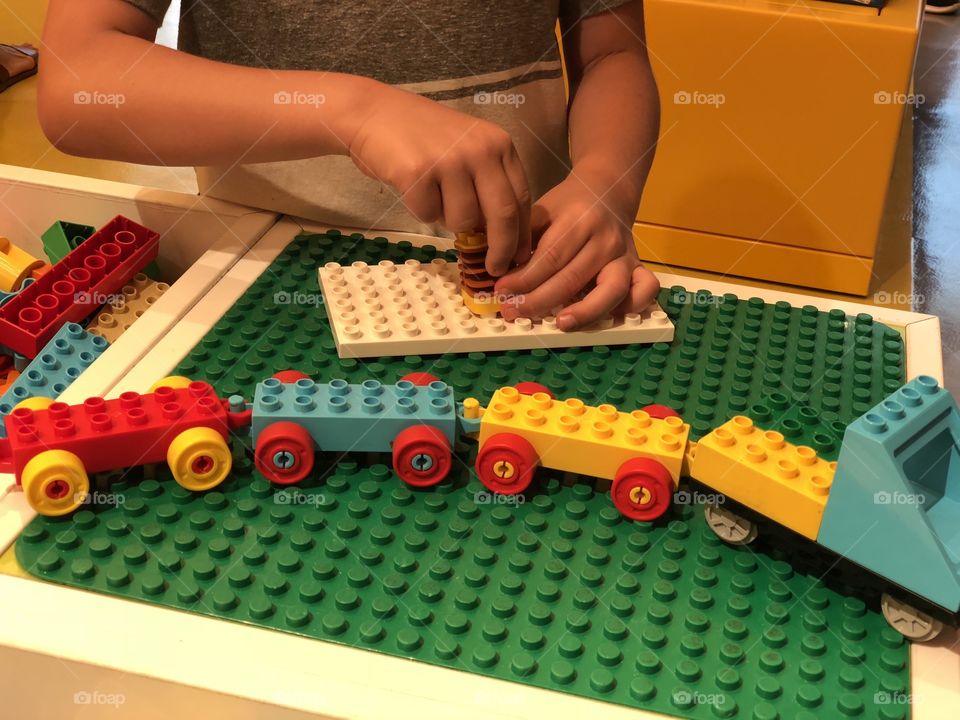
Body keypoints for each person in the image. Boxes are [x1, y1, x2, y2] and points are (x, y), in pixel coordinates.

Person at [39, 0, 661, 331]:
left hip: (532, 273)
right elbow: (79, 82)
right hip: (269, 286)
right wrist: (351, 111)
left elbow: (612, 52)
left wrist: (606, 181)